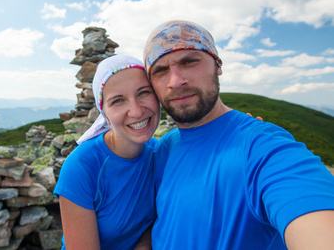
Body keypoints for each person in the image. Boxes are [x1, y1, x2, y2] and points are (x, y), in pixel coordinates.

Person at [143, 20, 334, 249]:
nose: (175, 81)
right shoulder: (163, 148)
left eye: (190, 61)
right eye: (160, 70)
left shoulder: (263, 146)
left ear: (217, 65)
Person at [54, 54, 160, 249]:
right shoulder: (81, 167)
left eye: (143, 92)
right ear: (105, 115)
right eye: (118, 101)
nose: (136, 111)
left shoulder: (159, 153)